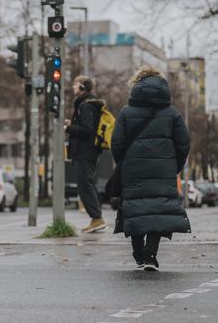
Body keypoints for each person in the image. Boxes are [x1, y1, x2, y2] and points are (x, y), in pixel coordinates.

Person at [111, 67, 191, 271]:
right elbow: (184, 143)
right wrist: (175, 166)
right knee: (158, 210)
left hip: (133, 169)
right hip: (163, 169)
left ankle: (138, 253)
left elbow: (117, 143)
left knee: (136, 208)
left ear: (136, 86)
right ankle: (150, 254)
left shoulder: (126, 112)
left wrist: (125, 162)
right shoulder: (172, 113)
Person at [64, 75, 106, 233]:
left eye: (75, 85)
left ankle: (97, 218)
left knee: (85, 186)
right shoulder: (87, 104)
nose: (73, 87)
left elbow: (88, 131)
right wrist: (73, 125)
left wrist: (69, 128)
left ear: (82, 87)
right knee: (89, 184)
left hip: (84, 152)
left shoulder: (86, 105)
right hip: (87, 151)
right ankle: (97, 218)